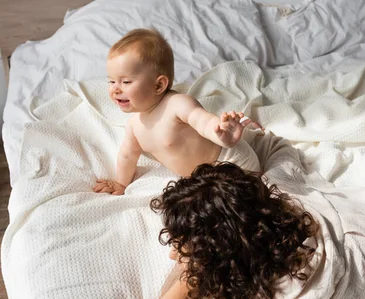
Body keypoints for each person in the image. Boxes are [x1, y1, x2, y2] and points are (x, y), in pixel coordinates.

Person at [131, 132, 365, 299]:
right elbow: (278, 148)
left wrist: (195, 267)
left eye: (181, 248)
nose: (172, 255)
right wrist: (245, 134)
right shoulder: (286, 202)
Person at [93, 28, 262, 195]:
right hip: (203, 180)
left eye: (126, 82)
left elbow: (203, 121)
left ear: (159, 85)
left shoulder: (177, 104)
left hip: (231, 161)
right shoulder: (134, 125)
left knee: (234, 200)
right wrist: (120, 184)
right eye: (111, 81)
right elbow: (127, 156)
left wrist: (222, 133)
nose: (115, 89)